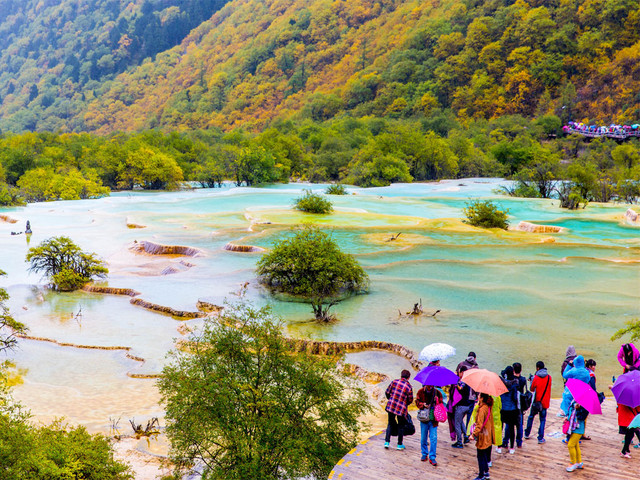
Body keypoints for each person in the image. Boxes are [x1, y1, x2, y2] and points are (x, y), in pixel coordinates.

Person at [384, 369, 414, 450]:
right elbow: (410, 400)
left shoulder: (394, 382)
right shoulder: (409, 386)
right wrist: (404, 404)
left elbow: (387, 392)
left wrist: (390, 399)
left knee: (390, 423)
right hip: (401, 409)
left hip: (391, 405)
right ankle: (399, 444)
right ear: (408, 378)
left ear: (401, 376)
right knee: (401, 426)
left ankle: (387, 442)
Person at [415, 383, 443, 466]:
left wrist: (437, 400)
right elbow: (416, 402)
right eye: (428, 385)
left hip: (433, 419)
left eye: (431, 385)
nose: (430, 386)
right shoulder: (420, 392)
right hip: (424, 418)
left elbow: (441, 404)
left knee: (433, 438)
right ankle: (424, 453)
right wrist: (422, 405)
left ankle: (432, 457)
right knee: (423, 437)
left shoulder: (437, 392)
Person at [525, 361, 552, 444]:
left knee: (531, 417)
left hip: (536, 402)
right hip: (545, 402)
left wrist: (531, 380)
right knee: (543, 420)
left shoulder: (536, 378)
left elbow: (532, 389)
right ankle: (540, 438)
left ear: (537, 368)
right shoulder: (549, 377)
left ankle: (527, 433)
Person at [471, 393, 495, 480]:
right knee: (484, 454)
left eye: (479, 395)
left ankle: (481, 475)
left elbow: (479, 425)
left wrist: (473, 434)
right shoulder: (488, 407)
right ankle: (486, 472)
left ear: (481, 398)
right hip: (488, 434)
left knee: (480, 455)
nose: (477, 396)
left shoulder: (482, 410)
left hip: (482, 435)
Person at [498, 365, 519, 454]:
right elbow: (515, 397)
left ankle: (499, 446)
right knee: (511, 429)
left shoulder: (501, 383)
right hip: (511, 409)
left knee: (500, 428)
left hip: (502, 408)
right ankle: (511, 448)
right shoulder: (514, 384)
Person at [452, 366, 473, 448]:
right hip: (467, 405)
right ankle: (465, 437)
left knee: (457, 423)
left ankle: (459, 442)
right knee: (460, 421)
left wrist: (455, 380)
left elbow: (460, 388)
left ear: (462, 372)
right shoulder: (468, 381)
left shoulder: (463, 382)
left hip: (461, 406)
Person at [565, 400, 588, 472]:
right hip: (574, 428)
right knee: (576, 445)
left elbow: (582, 417)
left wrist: (578, 409)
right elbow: (571, 411)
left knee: (570, 445)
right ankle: (579, 462)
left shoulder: (585, 405)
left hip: (578, 428)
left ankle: (573, 463)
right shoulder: (575, 401)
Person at [512, 362, 527, 448]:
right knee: (519, 424)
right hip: (520, 404)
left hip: (512, 404)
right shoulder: (523, 380)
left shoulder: (511, 380)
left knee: (509, 424)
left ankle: (506, 441)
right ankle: (519, 442)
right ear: (521, 370)